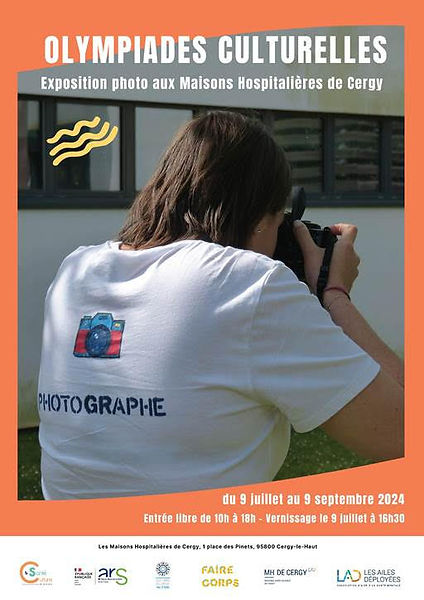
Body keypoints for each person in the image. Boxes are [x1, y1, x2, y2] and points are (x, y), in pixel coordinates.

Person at [37, 110, 403, 500]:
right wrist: (334, 293)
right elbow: (402, 435)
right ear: (262, 217)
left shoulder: (76, 270)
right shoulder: (250, 283)